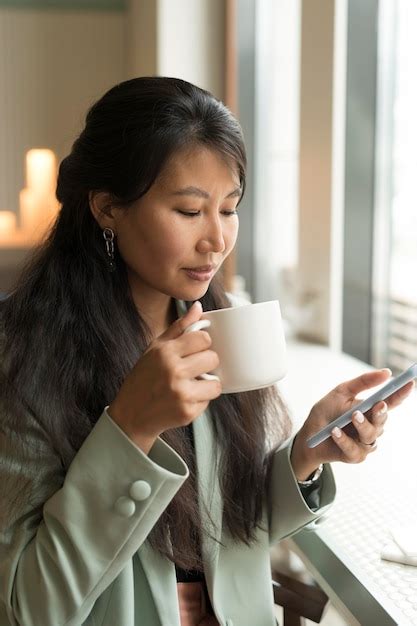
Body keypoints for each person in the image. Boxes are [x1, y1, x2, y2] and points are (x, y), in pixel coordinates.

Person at [0, 77, 413, 626]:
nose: (216, 240)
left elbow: (218, 528)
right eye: (191, 211)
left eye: (230, 208)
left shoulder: (221, 323)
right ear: (106, 208)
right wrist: (129, 429)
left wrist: (307, 455)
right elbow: (28, 608)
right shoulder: (21, 355)